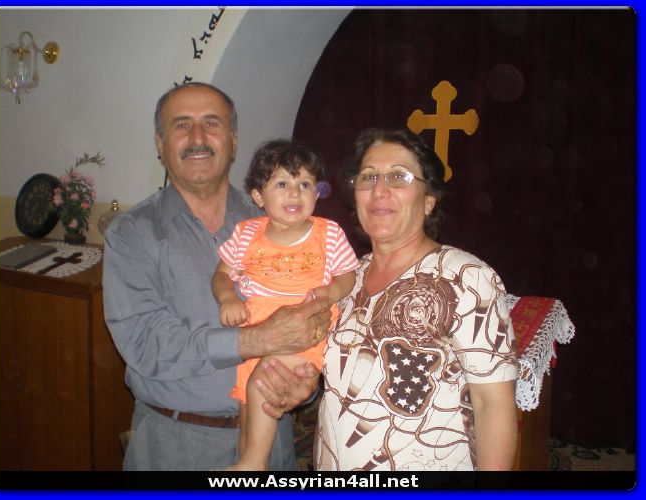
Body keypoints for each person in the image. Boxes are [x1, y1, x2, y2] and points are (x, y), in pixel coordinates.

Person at [102, 82, 331, 471]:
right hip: (175, 445)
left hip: (271, 442)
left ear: (233, 140)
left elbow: (316, 316)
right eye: (181, 125)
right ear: (160, 143)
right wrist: (255, 340)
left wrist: (306, 382)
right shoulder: (132, 234)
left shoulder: (283, 222)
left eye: (211, 123)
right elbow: (144, 342)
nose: (197, 138)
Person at [311, 127, 519, 471]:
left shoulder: (466, 277)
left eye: (398, 176)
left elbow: (491, 404)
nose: (379, 190)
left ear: (428, 200)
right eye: (368, 177)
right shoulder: (347, 277)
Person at [212, 139, 358, 470]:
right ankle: (248, 467)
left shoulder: (328, 234)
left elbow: (348, 276)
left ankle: (253, 463)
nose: (294, 193)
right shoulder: (246, 234)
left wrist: (330, 293)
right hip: (255, 331)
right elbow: (221, 275)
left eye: (304, 184)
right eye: (282, 184)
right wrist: (228, 297)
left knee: (264, 382)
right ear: (258, 196)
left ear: (316, 193)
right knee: (248, 408)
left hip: (305, 329)